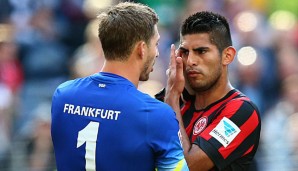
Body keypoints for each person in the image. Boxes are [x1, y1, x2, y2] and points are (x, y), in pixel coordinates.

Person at [51, 2, 189, 171]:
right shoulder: (155, 114)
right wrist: (173, 99)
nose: (158, 52)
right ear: (142, 49)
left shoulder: (62, 96)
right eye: (156, 44)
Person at [160, 11, 261, 171]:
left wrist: (172, 98)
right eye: (185, 52)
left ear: (227, 56)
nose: (191, 61)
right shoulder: (175, 100)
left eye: (201, 51)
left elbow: (187, 167)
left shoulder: (242, 111)